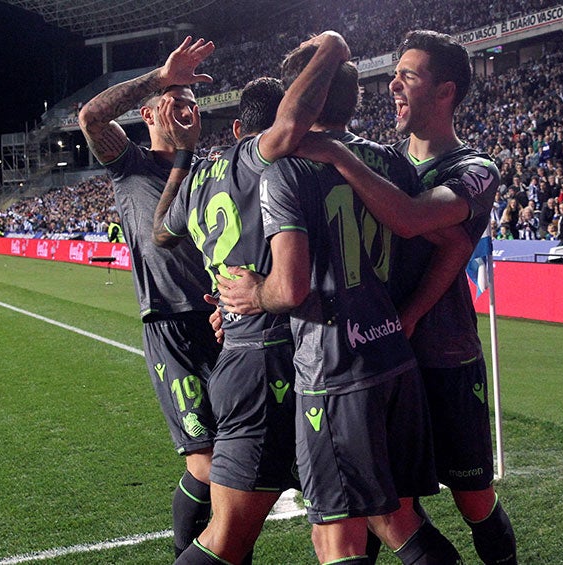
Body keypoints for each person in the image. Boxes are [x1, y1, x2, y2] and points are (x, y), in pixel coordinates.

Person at [221, 42, 460, 565]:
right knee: (397, 514)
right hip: (395, 358)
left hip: (334, 370)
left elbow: (289, 290)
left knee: (338, 536)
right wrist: (410, 314)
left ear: (300, 96)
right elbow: (455, 243)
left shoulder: (284, 171)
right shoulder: (392, 161)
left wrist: (251, 294)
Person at [284, 30, 518, 564]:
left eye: (408, 76)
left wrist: (410, 315)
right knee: (380, 505)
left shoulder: (476, 170)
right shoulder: (383, 162)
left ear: (445, 92)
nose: (392, 85)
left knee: (475, 500)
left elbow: (421, 226)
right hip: (384, 358)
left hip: (445, 354)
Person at [152, 32, 355, 565]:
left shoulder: (199, 178)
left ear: (238, 126)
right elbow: (286, 130)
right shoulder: (266, 160)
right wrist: (332, 45)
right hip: (283, 359)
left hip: (240, 363)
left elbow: (162, 233)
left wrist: (182, 157)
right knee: (333, 529)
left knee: (250, 535)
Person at [78, 36, 222, 557]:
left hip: (221, 324)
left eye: (190, 103)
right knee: (205, 464)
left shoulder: (208, 173)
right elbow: (91, 116)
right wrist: (163, 76)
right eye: (174, 101)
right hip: (169, 327)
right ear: (148, 111)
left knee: (238, 462)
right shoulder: (130, 164)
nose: (184, 109)